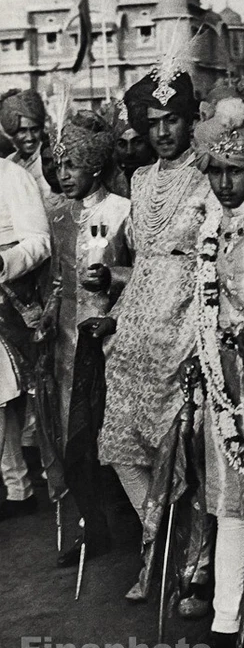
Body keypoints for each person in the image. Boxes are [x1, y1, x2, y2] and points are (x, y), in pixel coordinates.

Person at [175, 94, 244, 648]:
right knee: (230, 504)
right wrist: (203, 357)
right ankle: (224, 624)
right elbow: (204, 303)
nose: (222, 183)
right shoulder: (209, 225)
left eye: (234, 171)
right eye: (214, 170)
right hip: (224, 382)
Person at [98, 68, 212, 600]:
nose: (163, 132)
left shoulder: (210, 172)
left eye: (173, 120)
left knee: (185, 449)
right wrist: (114, 299)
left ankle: (196, 566)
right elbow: (143, 261)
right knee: (125, 447)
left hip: (186, 323)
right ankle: (157, 545)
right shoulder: (140, 180)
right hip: (136, 329)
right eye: (154, 123)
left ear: (191, 121)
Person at [37, 110, 131, 566]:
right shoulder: (56, 212)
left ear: (95, 165)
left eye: (72, 164)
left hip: (109, 340)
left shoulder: (122, 211)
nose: (64, 174)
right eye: (59, 165)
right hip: (64, 344)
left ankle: (139, 528)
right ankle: (95, 529)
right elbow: (55, 280)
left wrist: (114, 278)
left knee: (112, 439)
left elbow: (146, 275)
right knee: (72, 444)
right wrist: (44, 316)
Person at [0, 155, 50, 519]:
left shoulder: (11, 176)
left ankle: (19, 486)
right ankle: (17, 485)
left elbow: (40, 241)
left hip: (8, 298)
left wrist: (5, 261)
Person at [0, 89, 49, 198]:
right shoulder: (10, 162)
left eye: (34, 129)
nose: (30, 137)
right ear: (12, 131)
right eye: (22, 131)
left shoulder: (48, 162)